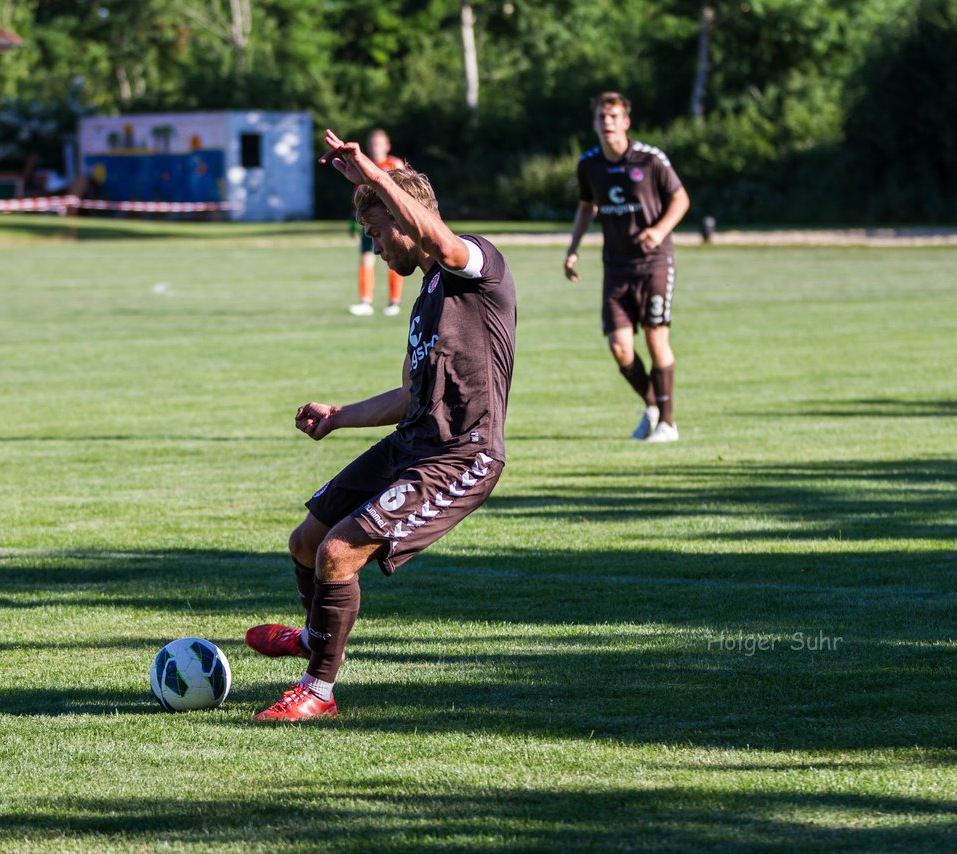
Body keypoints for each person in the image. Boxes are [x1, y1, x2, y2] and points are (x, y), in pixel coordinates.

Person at [246, 128, 518, 721]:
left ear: (406, 218)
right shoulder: (426, 299)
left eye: (376, 233)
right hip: (411, 444)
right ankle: (317, 635)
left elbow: (441, 242)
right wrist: (340, 416)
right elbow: (410, 393)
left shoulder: (477, 266)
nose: (374, 249)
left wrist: (375, 176)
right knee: (307, 542)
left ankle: (318, 689)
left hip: (459, 455)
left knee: (340, 554)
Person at [564, 92, 690, 442]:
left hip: (654, 263)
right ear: (594, 123)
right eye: (602, 118)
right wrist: (572, 250)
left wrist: (659, 229)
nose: (607, 123)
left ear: (626, 121)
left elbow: (681, 198)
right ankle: (653, 406)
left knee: (655, 338)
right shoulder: (588, 164)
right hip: (616, 266)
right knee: (619, 346)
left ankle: (667, 424)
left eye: (614, 116)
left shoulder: (650, 160)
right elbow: (586, 208)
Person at [349, 128, 407, 316]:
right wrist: (353, 217)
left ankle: (394, 302)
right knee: (367, 258)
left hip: (390, 220)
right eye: (373, 144)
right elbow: (359, 195)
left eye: (379, 144)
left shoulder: (394, 164)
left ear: (387, 146)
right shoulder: (365, 165)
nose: (375, 148)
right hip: (370, 221)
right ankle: (365, 301)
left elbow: (406, 188)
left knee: (392, 257)